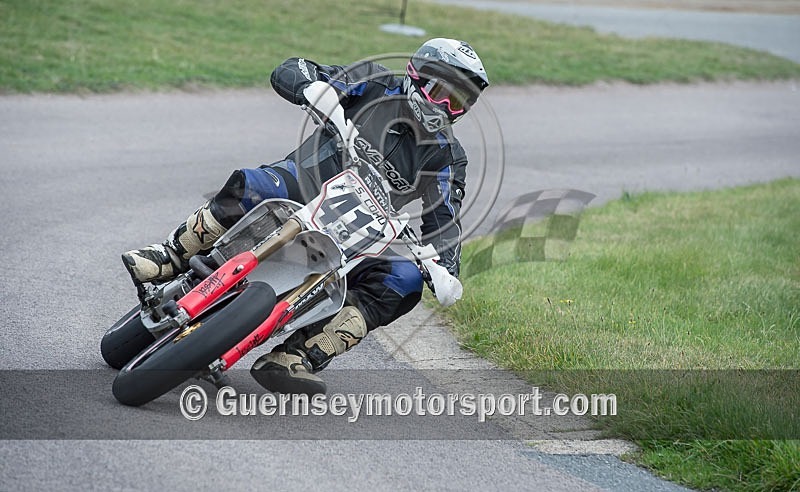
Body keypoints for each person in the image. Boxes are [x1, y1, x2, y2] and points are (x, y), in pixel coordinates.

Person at [121, 38, 489, 395]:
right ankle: (170, 255)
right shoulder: (374, 82)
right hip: (299, 186)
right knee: (254, 184)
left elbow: (445, 219)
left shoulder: (447, 157)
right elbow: (293, 68)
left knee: (403, 279)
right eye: (442, 92)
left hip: (357, 236)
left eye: (459, 101)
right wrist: (312, 88)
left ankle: (299, 355)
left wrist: (445, 270)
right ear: (417, 74)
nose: (447, 106)